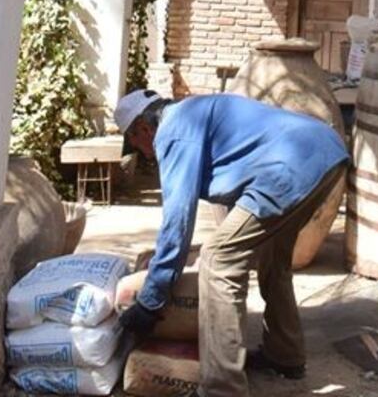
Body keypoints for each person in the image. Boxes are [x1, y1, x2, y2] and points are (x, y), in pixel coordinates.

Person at [115, 89, 349, 397]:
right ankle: (285, 355)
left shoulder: (172, 134)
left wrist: (150, 300)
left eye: (133, 141)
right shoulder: (192, 114)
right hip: (324, 152)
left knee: (219, 260)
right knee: (272, 259)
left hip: (292, 165)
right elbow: (231, 202)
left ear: (144, 128)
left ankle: (222, 388)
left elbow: (177, 221)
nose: (140, 151)